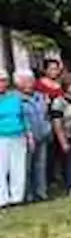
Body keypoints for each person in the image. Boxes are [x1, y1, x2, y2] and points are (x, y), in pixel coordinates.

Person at [17, 71, 52, 202]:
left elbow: (46, 115)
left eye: (30, 80)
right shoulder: (17, 99)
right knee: (27, 167)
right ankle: (28, 194)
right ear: (19, 83)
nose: (28, 84)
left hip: (42, 135)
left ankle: (41, 193)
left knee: (41, 165)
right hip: (26, 137)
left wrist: (48, 129)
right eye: (25, 81)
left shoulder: (41, 97)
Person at [0, 74, 32, 207]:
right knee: (1, 168)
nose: (1, 84)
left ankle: (17, 197)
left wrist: (29, 134)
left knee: (18, 167)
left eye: (3, 81)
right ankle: (2, 199)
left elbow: (24, 117)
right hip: (1, 137)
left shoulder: (15, 97)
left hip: (18, 135)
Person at [37, 59, 67, 192]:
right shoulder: (39, 85)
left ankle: (64, 176)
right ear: (45, 70)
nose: (54, 71)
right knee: (49, 152)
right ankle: (49, 180)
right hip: (48, 120)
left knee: (63, 150)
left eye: (56, 69)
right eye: (51, 68)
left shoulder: (60, 85)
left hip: (62, 120)